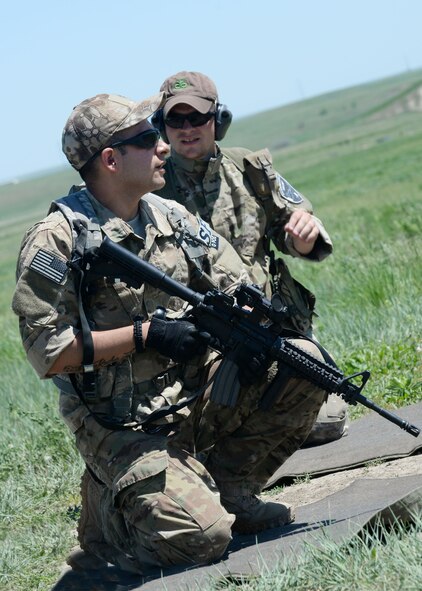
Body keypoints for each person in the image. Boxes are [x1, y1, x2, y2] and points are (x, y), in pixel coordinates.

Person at [12, 92, 327, 573]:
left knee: (304, 361)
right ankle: (110, 526)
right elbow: (49, 354)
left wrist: (249, 328)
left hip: (192, 397)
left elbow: (234, 279)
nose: (163, 146)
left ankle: (230, 494)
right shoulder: (57, 241)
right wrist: (144, 335)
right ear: (111, 160)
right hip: (121, 427)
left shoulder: (168, 215)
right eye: (146, 138)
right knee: (203, 541)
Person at [153, 71, 348, 445]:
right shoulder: (152, 185)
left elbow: (290, 225)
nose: (186, 128)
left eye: (196, 117)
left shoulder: (247, 169)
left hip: (271, 326)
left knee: (328, 418)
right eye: (174, 120)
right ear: (161, 126)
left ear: (218, 119)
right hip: (199, 337)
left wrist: (303, 237)